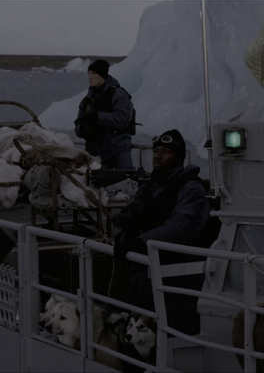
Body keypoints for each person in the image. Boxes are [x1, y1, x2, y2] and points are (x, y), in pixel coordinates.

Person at [112, 129, 216, 335]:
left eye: (165, 151)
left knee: (165, 327)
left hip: (174, 274)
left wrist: (142, 242)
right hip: (142, 271)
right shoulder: (149, 187)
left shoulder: (191, 188)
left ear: (179, 157)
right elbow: (134, 213)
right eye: (156, 151)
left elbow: (183, 225)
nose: (157, 155)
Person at [74, 59, 134, 169]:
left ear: (102, 75)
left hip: (117, 149)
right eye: (89, 73)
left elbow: (123, 119)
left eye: (93, 73)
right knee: (94, 184)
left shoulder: (119, 95)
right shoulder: (87, 100)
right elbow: (78, 124)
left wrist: (97, 117)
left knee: (125, 180)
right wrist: (83, 128)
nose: (90, 77)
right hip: (94, 152)